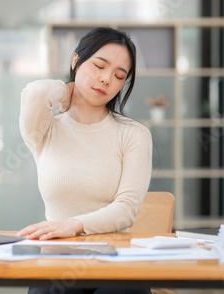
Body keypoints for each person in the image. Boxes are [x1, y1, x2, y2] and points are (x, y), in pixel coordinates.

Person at [17, 27, 153, 294]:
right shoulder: (45, 130)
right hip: (57, 260)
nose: (105, 80)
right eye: (99, 66)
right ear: (76, 61)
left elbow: (125, 209)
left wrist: (74, 225)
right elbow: (34, 93)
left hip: (116, 263)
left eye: (118, 76)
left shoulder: (133, 134)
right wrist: (65, 89)